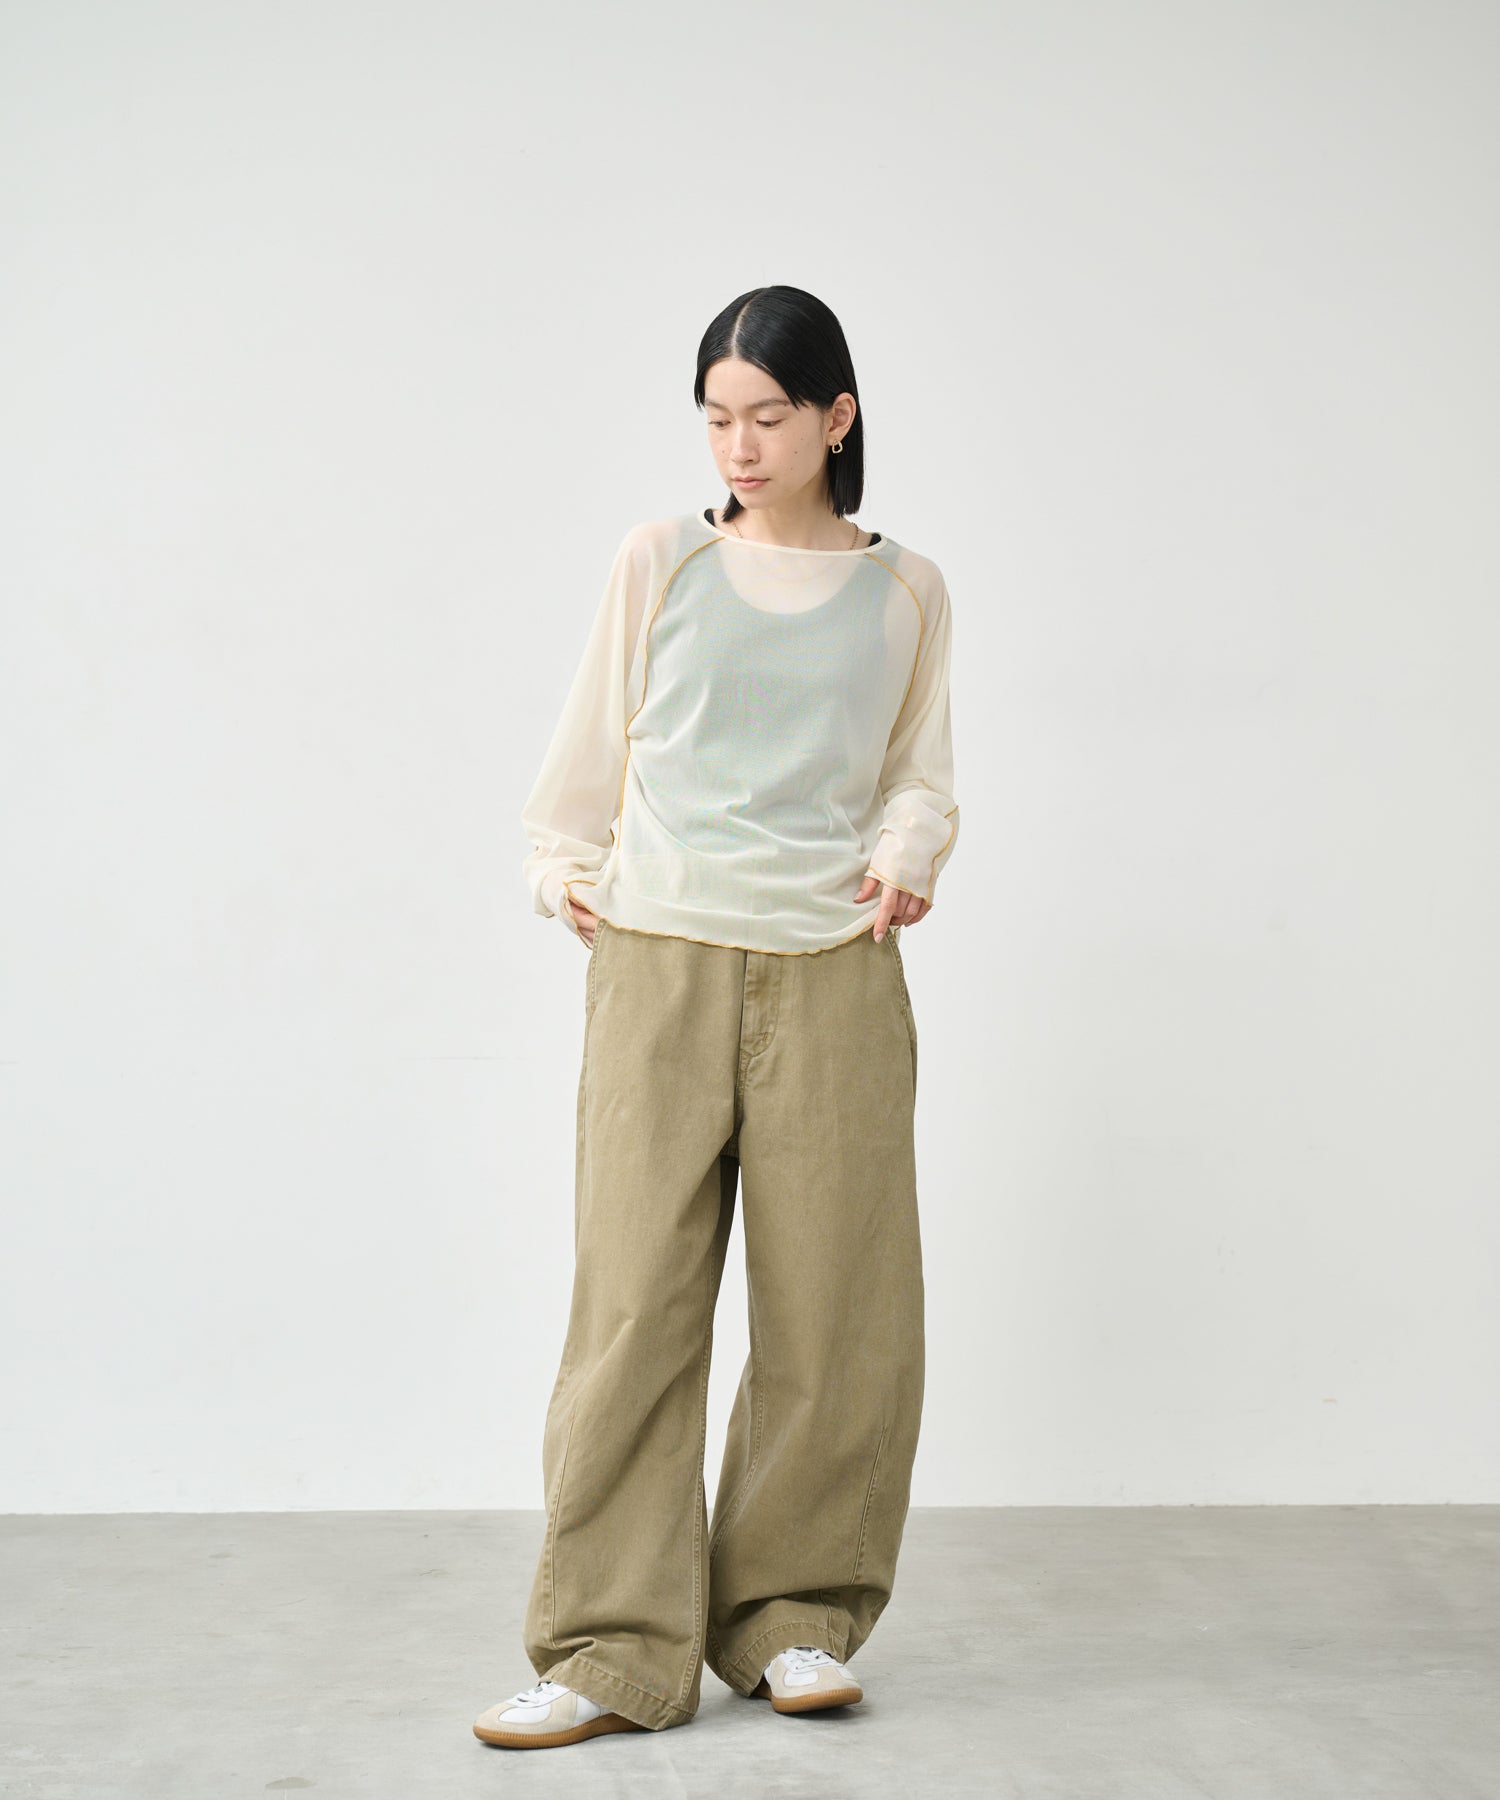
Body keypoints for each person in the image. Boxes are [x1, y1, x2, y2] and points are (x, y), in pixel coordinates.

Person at [473, 285, 960, 1751]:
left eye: (767, 416)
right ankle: (608, 1649)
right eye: (716, 419)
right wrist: (560, 866)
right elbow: (589, 744)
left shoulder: (908, 589)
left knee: (838, 1316)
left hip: (834, 971)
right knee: (632, 1310)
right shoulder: (662, 560)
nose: (739, 446)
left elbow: (919, 768)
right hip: (661, 962)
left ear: (837, 417)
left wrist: (909, 851)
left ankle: (794, 1621)